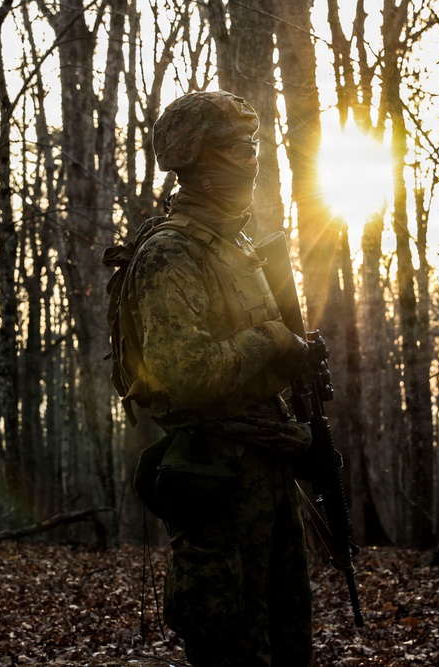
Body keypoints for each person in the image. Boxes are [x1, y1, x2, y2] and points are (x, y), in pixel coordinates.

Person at [127, 90, 313, 666]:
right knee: (232, 649)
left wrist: (293, 357)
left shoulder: (238, 247)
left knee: (289, 644)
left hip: (266, 470)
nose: (252, 160)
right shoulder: (170, 254)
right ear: (198, 158)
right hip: (216, 481)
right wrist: (270, 340)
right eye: (237, 149)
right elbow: (184, 373)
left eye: (254, 146)